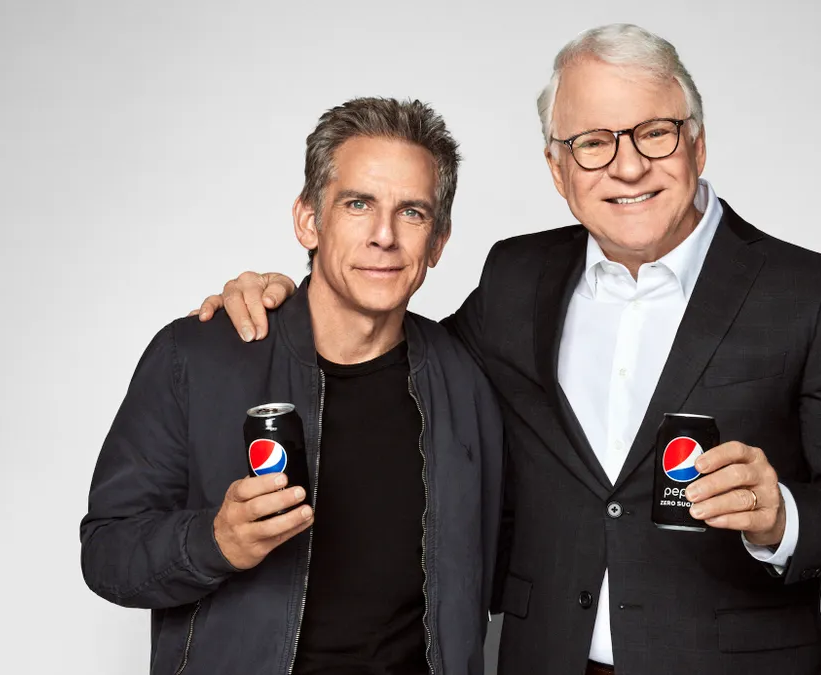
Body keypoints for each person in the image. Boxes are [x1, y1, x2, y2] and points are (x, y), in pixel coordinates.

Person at [199, 24, 821, 675]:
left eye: (654, 132)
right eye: (593, 142)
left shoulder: (811, 292)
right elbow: (396, 347)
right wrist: (293, 293)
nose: (626, 167)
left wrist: (781, 514)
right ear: (557, 168)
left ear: (697, 142)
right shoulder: (518, 276)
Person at [81, 97, 504, 675]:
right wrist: (214, 541)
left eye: (412, 212)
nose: (384, 235)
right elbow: (107, 552)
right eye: (358, 204)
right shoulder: (197, 356)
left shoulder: (467, 378)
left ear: (438, 241)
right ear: (309, 219)